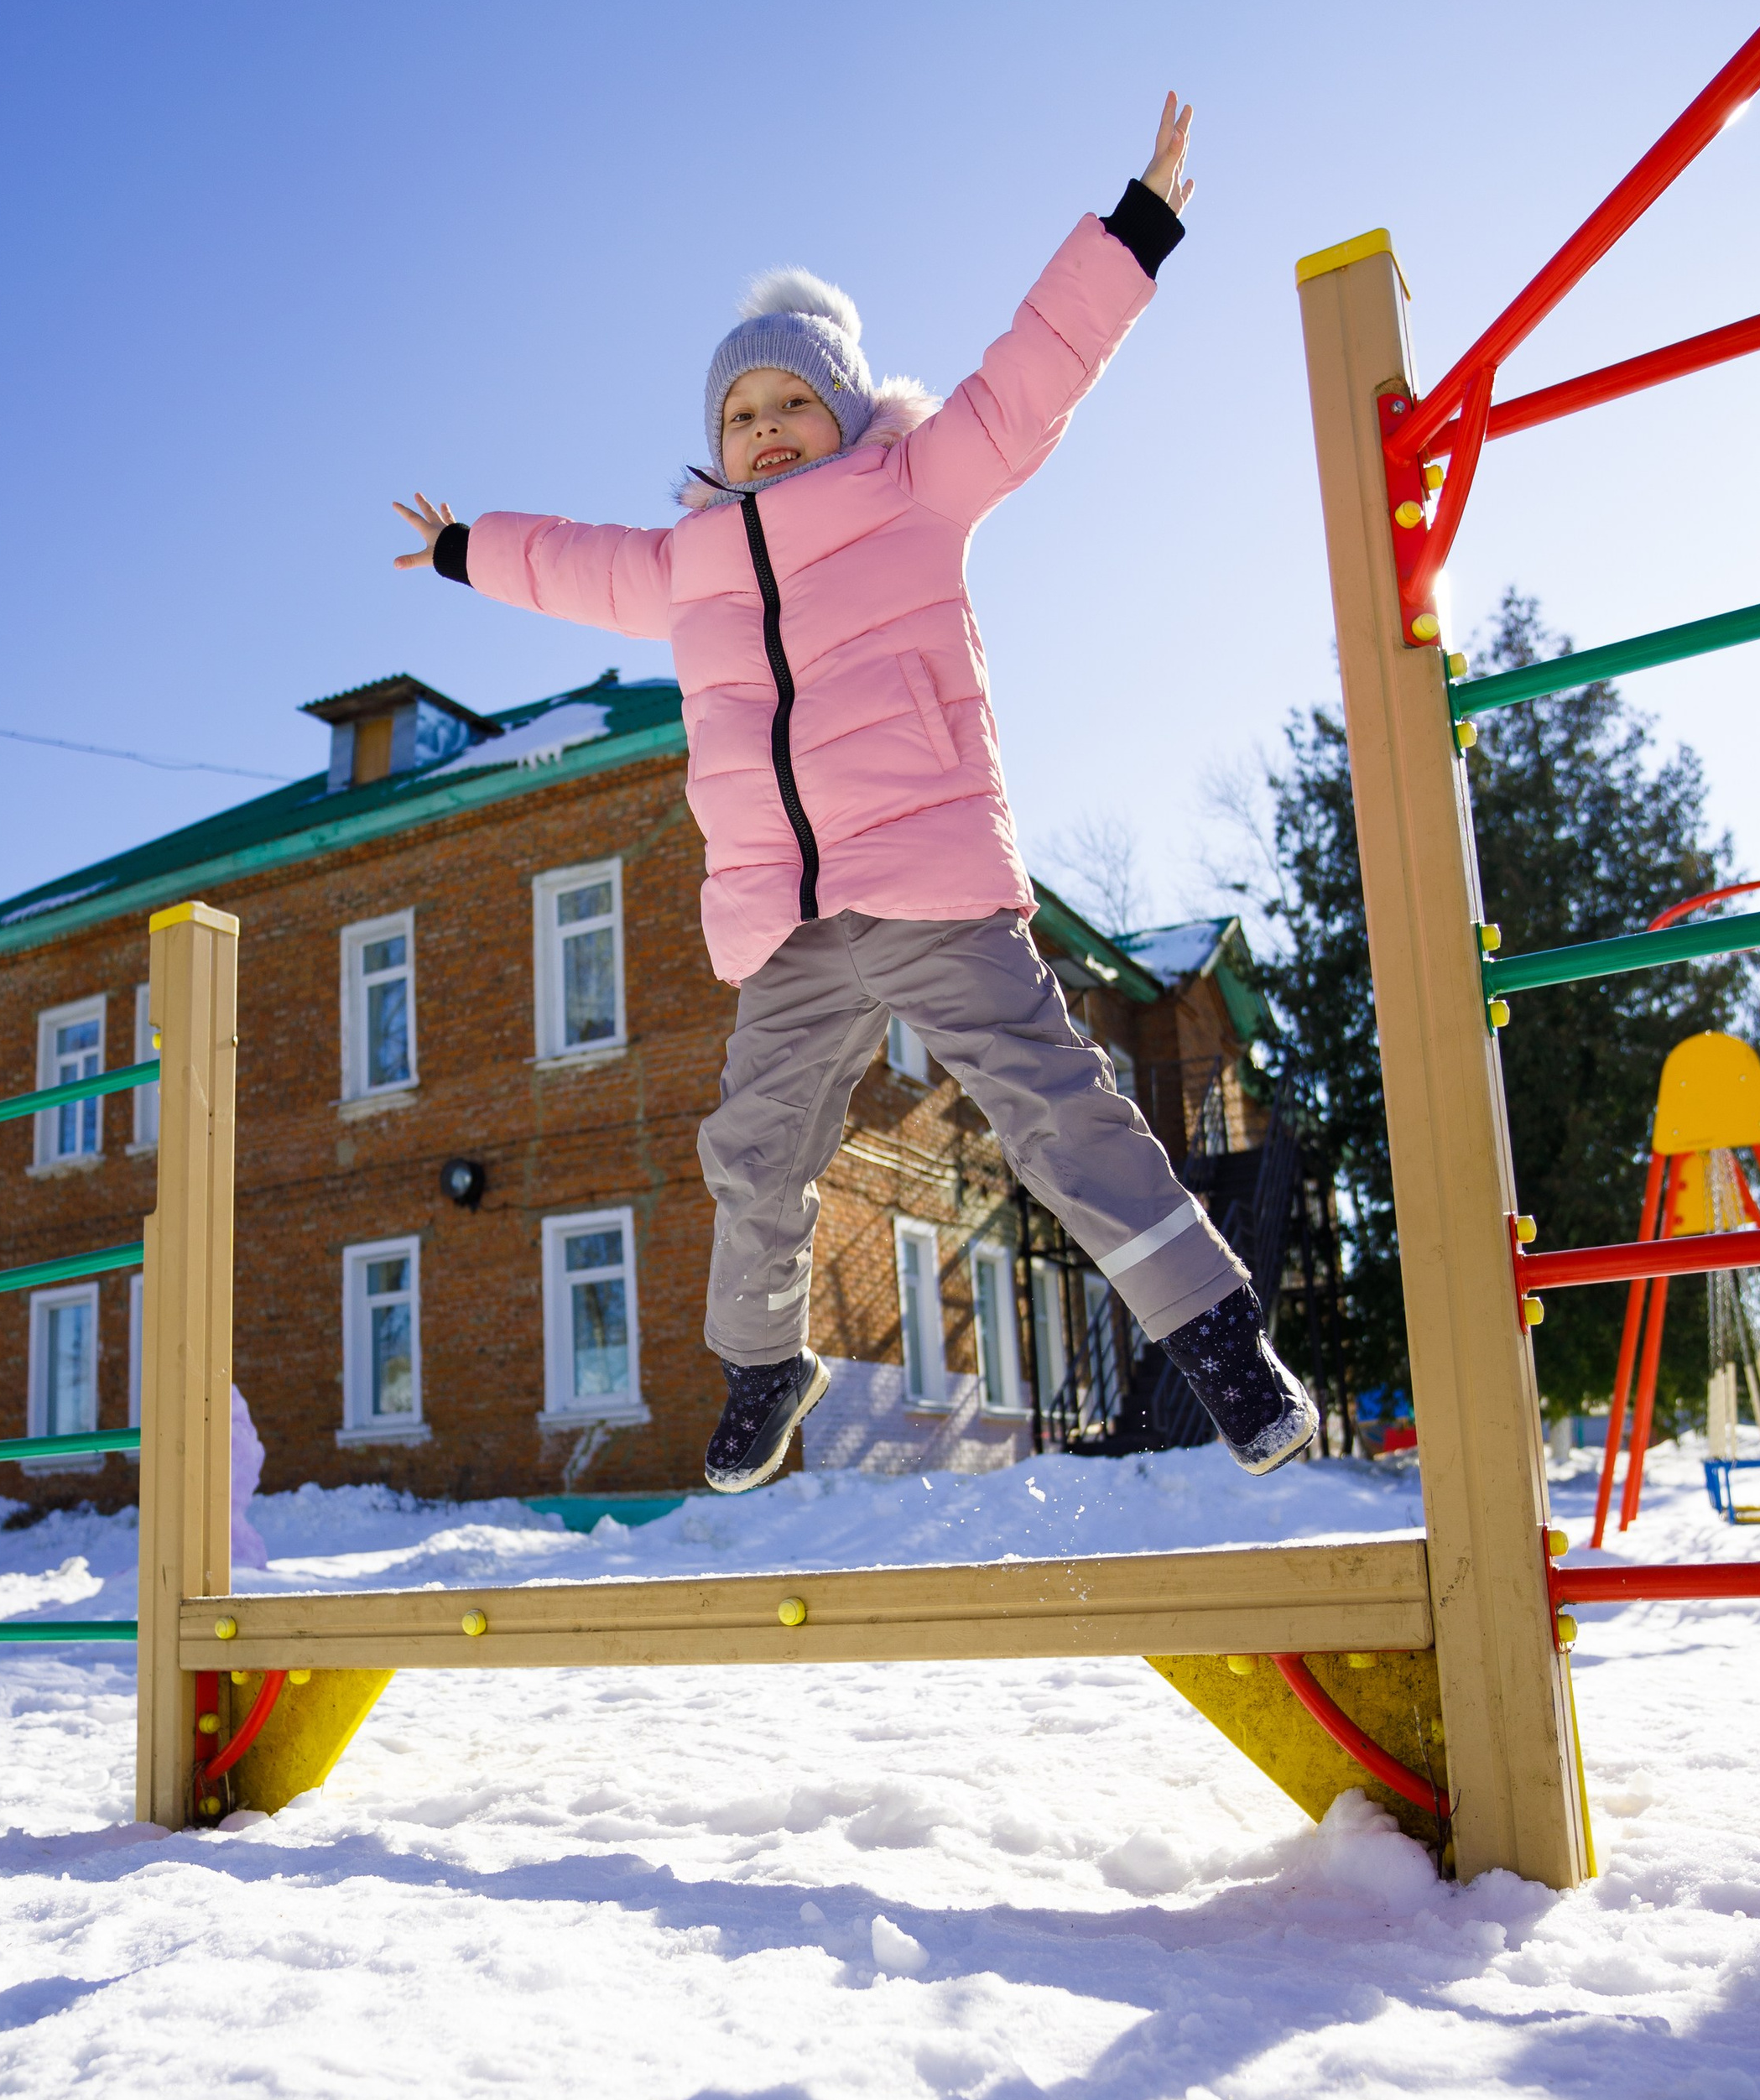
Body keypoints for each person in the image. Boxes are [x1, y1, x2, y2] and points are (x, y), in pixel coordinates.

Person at [395, 96, 1315, 1493]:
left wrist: (1135, 229)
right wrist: (469, 549)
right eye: (741, 414)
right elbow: (573, 564)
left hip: (933, 881)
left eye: (790, 404)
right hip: (787, 920)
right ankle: (765, 1366)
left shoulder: (919, 484)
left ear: (841, 405)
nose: (767, 430)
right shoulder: (683, 565)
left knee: (1056, 1108)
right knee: (750, 1149)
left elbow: (1032, 375)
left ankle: (1222, 1339)